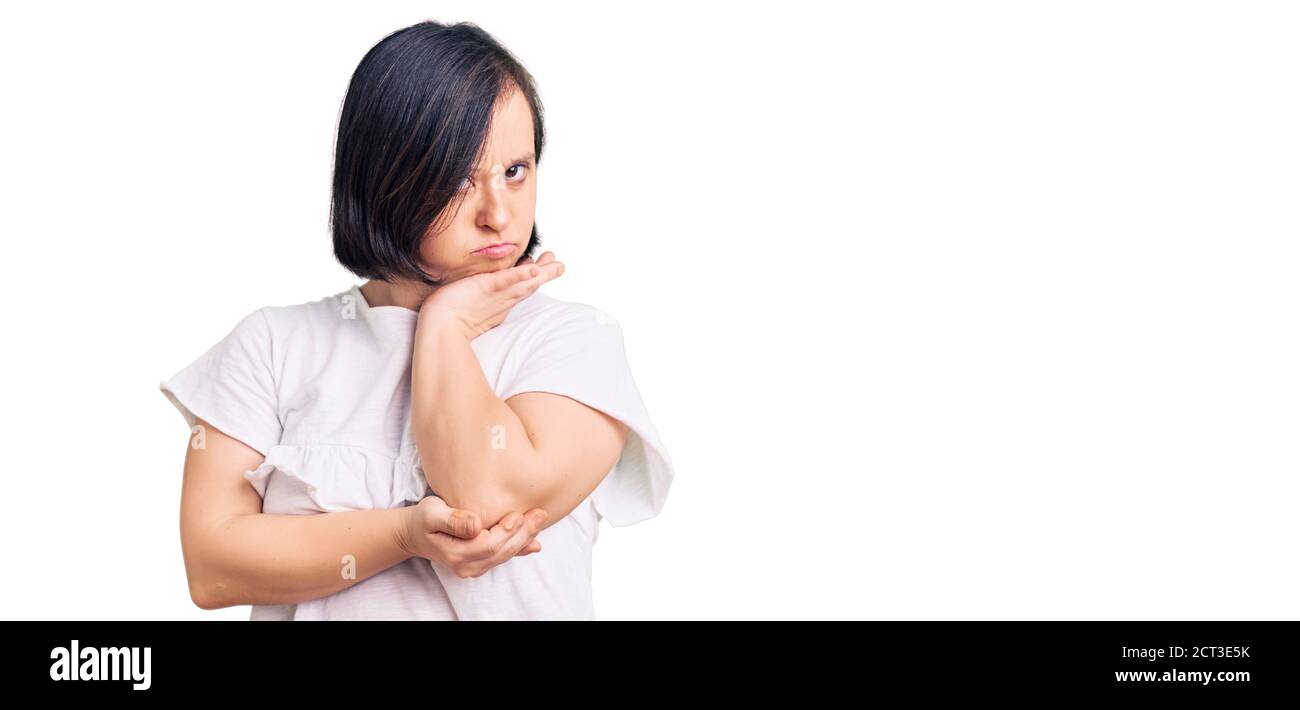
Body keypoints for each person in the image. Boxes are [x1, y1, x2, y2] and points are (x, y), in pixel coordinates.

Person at [160, 20, 674, 620]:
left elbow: (485, 496)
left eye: (515, 170)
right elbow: (213, 568)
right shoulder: (272, 345)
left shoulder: (576, 342)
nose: (498, 214)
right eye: (459, 178)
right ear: (383, 178)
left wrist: (444, 328)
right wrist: (401, 535)